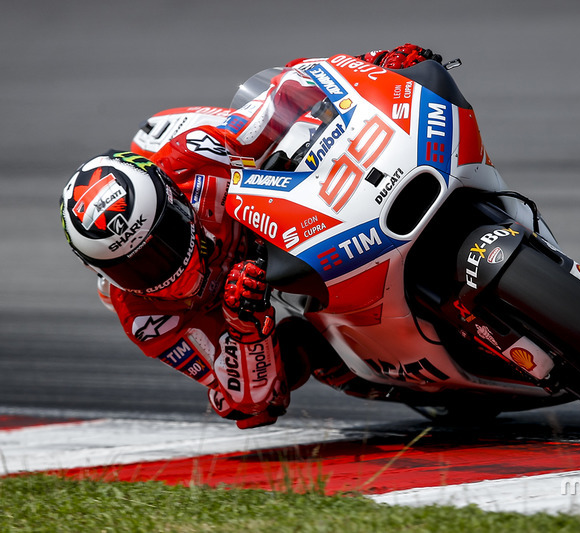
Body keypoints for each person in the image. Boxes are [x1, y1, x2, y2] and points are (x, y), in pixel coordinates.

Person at [59, 44, 443, 429]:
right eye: (136, 269)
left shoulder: (193, 157)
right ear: (104, 273)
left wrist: (374, 66)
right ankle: (431, 391)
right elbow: (245, 401)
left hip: (282, 211)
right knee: (289, 367)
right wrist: (246, 326)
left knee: (313, 129)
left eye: (166, 239)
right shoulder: (146, 318)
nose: (164, 267)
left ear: (175, 201)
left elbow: (285, 94)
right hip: (253, 296)